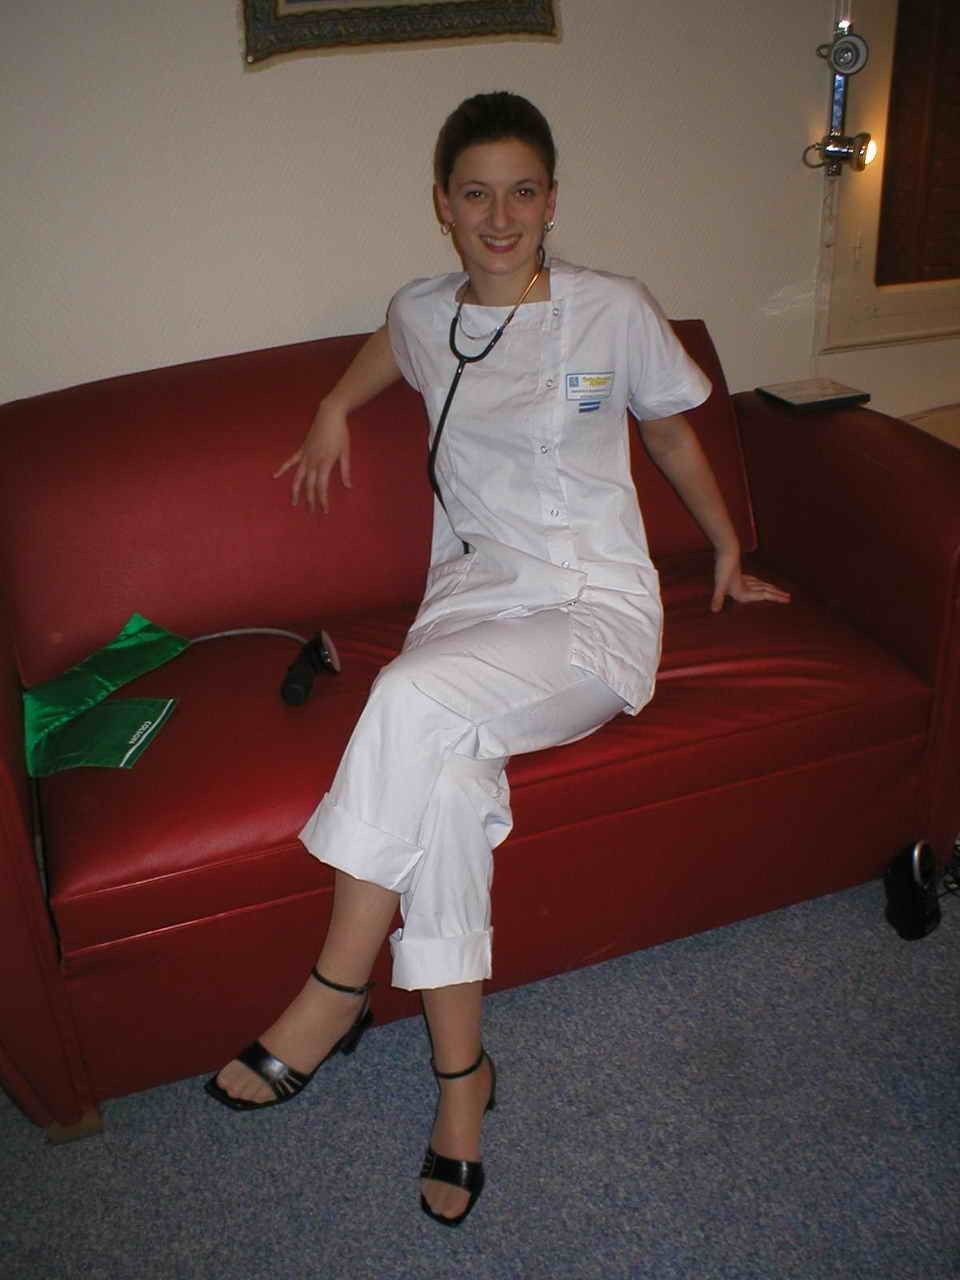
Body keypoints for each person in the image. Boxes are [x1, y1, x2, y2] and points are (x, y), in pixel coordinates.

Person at [204, 91, 790, 1226]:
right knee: (446, 777)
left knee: (409, 697)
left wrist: (727, 546)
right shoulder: (425, 313)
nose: (501, 215)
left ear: (553, 200)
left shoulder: (613, 309)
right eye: (476, 193)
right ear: (443, 205)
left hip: (590, 609)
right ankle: (460, 1078)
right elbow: (393, 341)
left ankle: (334, 988)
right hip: (469, 606)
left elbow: (670, 427)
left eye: (523, 191)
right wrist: (333, 403)